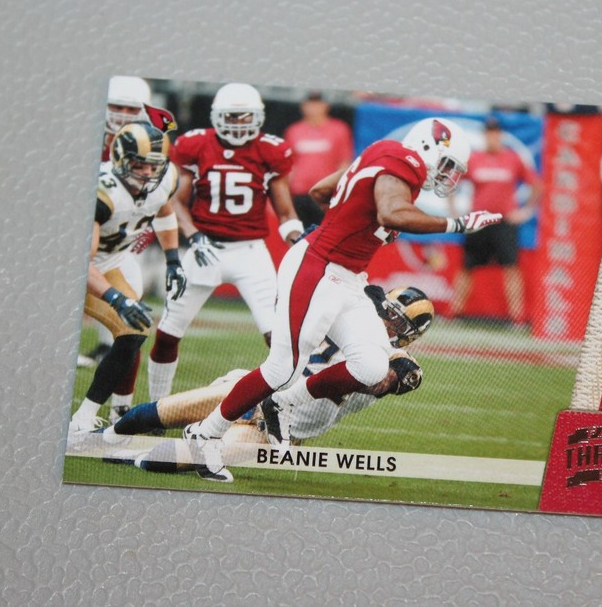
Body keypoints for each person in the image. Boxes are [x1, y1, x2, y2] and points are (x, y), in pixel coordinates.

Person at [184, 116, 503, 482]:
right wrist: (458, 224)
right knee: (282, 368)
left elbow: (321, 191)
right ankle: (204, 434)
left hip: (347, 276)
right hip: (318, 267)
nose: (447, 175)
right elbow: (390, 212)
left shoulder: (383, 154)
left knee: (371, 366)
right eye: (447, 165)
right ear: (428, 147)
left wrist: (354, 222)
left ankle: (282, 404)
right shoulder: (407, 162)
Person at [99, 286, 433, 477]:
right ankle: (102, 438)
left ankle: (135, 456)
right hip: (253, 390)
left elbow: (396, 376)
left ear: (411, 335)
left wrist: (392, 370)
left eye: (399, 322)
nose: (388, 323)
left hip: (275, 429)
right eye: (389, 313)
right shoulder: (350, 315)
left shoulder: (392, 360)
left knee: (192, 456)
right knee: (160, 412)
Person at [146, 83, 304, 404]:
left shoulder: (271, 151)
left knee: (277, 338)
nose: (238, 123)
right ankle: (157, 406)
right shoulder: (195, 145)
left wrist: (298, 240)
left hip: (250, 253)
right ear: (217, 116)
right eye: (231, 116)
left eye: (245, 116)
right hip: (204, 249)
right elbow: (176, 202)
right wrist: (194, 235)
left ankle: (288, 407)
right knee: (167, 333)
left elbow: (286, 212)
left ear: (258, 117)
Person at [67, 121, 187, 445]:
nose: (147, 173)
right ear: (120, 159)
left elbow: (163, 211)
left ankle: (86, 418)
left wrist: (173, 259)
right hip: (73, 266)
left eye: (153, 166)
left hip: (113, 261)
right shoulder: (102, 192)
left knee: (134, 329)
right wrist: (117, 299)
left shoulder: (166, 179)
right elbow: (81, 262)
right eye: (139, 165)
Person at [79, 76, 178, 370]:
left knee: (129, 306)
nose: (122, 115)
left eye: (131, 109)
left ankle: (110, 348)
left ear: (146, 110)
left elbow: (161, 201)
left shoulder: (153, 143)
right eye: (116, 107)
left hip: (118, 234)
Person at [449, 117, 541, 327]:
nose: (492, 137)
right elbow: (451, 182)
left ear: (500, 135)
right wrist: (454, 211)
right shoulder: (475, 159)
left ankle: (517, 318)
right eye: (489, 133)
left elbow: (536, 185)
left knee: (511, 267)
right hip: (478, 221)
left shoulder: (512, 159)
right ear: (485, 135)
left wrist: (526, 211)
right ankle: (454, 313)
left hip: (504, 221)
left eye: (495, 133)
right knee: (467, 266)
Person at [284, 91, 354, 227]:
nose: (313, 108)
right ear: (303, 106)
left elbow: (344, 162)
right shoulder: (294, 131)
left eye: (317, 104)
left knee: (325, 231)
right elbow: (289, 165)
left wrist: (339, 190)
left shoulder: (339, 129)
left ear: (326, 106)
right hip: (300, 193)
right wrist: (286, 193)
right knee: (300, 233)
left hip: (325, 193)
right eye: (310, 104)